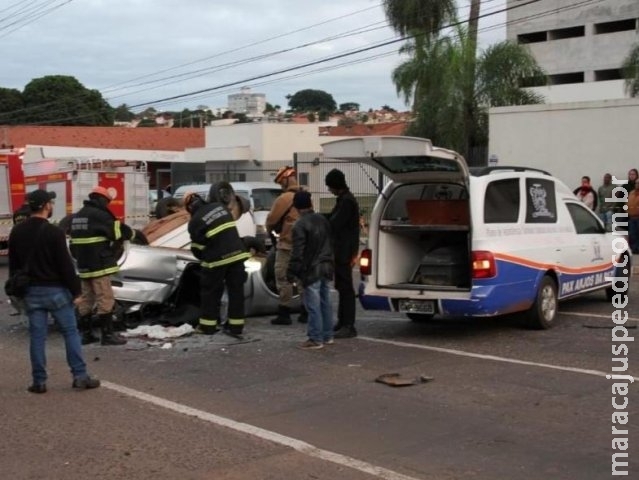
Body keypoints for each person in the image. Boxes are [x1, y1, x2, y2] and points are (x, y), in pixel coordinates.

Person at [8, 189, 100, 393]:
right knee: (70, 333)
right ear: (45, 206)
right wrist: (76, 292)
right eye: (50, 202)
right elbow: (65, 265)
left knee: (37, 336)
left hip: (31, 291)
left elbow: (14, 266)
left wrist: (18, 291)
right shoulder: (54, 232)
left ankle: (39, 381)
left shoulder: (17, 232)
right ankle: (80, 376)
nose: (51, 205)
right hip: (56, 291)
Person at [69, 186, 135, 346]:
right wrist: (131, 234)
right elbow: (117, 232)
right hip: (99, 263)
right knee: (105, 297)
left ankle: (86, 334)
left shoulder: (78, 216)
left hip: (83, 265)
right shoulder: (100, 215)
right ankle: (108, 335)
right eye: (106, 202)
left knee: (87, 298)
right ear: (101, 199)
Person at [185, 192, 251, 336]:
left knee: (210, 293)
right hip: (238, 256)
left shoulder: (195, 221)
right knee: (236, 292)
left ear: (190, 209)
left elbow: (198, 248)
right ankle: (236, 327)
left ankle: (208, 327)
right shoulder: (220, 207)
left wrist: (203, 255)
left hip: (217, 261)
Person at [287, 191, 334, 350]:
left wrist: (292, 271)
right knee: (325, 302)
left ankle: (315, 338)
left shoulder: (299, 225)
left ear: (296, 207)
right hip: (326, 265)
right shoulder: (323, 219)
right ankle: (328, 335)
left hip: (311, 269)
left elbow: (297, 252)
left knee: (313, 305)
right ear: (311, 203)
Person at [265, 166, 304, 325]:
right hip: (303, 246)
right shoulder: (305, 196)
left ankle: (284, 312)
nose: (281, 186)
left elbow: (271, 220)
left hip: (287, 245)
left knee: (282, 276)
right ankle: (306, 311)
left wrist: (271, 230)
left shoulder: (284, 198)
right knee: (302, 278)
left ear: (286, 180)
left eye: (281, 182)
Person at [324, 168, 360, 339]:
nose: (329, 190)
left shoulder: (346, 202)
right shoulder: (344, 199)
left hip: (344, 251)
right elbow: (332, 217)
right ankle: (343, 321)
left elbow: (334, 222)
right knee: (341, 286)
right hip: (343, 250)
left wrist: (321, 222)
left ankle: (348, 324)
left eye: (330, 186)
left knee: (345, 288)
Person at [627, 179, 639, 254]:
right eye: (636, 183)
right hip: (632, 217)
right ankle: (634, 249)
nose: (637, 185)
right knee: (633, 234)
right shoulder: (631, 193)